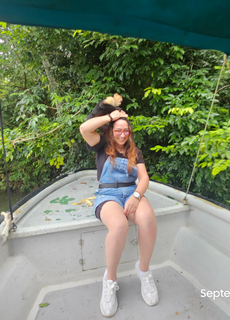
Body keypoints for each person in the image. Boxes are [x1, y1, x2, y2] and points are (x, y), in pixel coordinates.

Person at [79, 102, 159, 317]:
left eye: (126, 131)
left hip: (132, 193)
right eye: (118, 130)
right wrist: (111, 115)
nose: (122, 134)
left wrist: (135, 196)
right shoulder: (101, 145)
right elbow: (84, 128)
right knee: (119, 226)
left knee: (148, 219)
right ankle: (110, 280)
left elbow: (144, 179)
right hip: (108, 195)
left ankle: (144, 272)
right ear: (112, 131)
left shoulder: (135, 151)